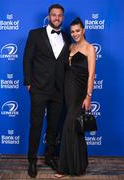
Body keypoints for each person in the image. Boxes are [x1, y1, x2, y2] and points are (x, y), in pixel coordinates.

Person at [23, 4, 70, 178]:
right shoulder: (35, 34)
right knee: (35, 125)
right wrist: (28, 83)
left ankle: (49, 157)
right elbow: (27, 59)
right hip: (39, 88)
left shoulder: (66, 37)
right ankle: (32, 160)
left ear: (63, 17)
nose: (56, 18)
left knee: (53, 126)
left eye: (59, 15)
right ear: (48, 16)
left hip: (58, 90)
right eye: (53, 15)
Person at [55, 17, 96, 178]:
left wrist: (89, 96)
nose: (75, 34)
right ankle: (80, 165)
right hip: (67, 92)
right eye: (72, 31)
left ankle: (64, 167)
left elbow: (91, 74)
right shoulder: (70, 46)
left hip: (80, 93)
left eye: (78, 30)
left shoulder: (89, 48)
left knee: (69, 126)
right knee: (77, 128)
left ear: (83, 30)